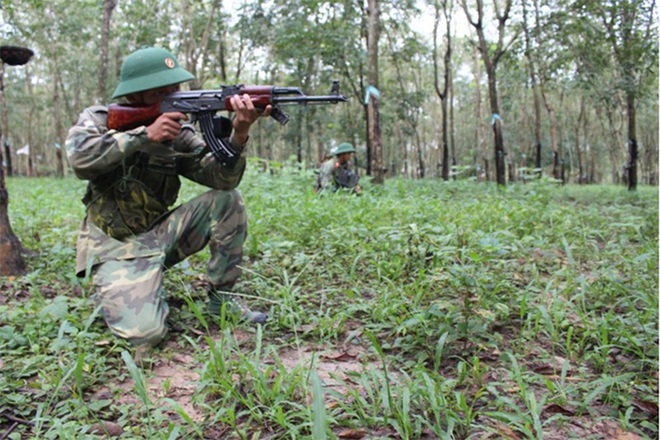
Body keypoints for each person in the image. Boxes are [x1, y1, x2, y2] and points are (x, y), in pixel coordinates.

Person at [65, 47, 270, 349]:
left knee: (227, 200)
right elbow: (79, 160)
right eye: (162, 91)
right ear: (135, 95)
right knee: (146, 335)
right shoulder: (99, 119)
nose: (173, 95)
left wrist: (239, 134)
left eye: (175, 88)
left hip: (158, 234)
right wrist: (143, 136)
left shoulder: (177, 131)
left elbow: (220, 179)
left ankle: (221, 300)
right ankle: (126, 284)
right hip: (114, 246)